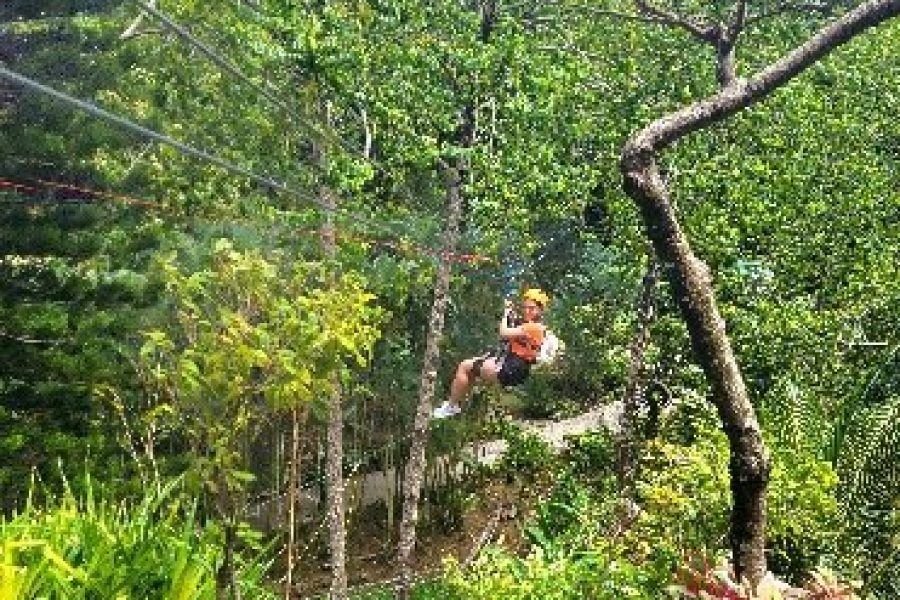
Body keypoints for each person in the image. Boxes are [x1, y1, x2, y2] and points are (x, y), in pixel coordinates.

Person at [432, 288, 549, 419]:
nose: (527, 311)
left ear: (540, 310)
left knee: (464, 366)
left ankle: (451, 406)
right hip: (517, 368)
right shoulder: (532, 326)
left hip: (511, 367)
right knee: (471, 369)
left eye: (532, 308)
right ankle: (456, 404)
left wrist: (505, 314)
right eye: (525, 307)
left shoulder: (534, 327)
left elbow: (504, 333)